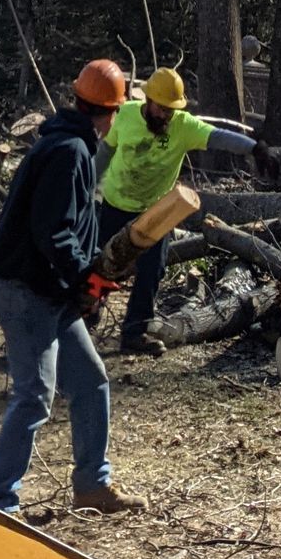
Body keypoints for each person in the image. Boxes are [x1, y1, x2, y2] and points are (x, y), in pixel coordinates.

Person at [0, 59, 145, 520]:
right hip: (28, 291)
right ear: (111, 113)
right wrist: (85, 276)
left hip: (48, 292)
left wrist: (84, 278)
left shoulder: (69, 143)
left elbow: (68, 227)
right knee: (34, 394)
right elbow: (53, 231)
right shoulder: (70, 150)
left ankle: (93, 485)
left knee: (91, 382)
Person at [96, 67, 220, 355]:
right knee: (103, 261)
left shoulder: (184, 125)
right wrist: (88, 187)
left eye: (170, 110)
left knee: (153, 268)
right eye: (161, 108)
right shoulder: (126, 115)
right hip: (116, 202)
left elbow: (218, 137)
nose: (165, 115)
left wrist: (256, 149)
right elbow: (105, 152)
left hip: (156, 208)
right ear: (148, 101)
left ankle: (134, 332)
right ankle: (87, 311)